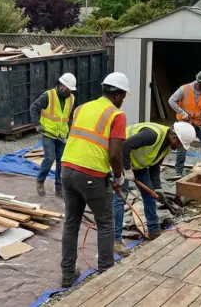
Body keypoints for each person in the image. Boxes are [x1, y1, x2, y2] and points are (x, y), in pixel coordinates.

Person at [59, 72, 129, 288]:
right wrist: (118, 177)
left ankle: (68, 275)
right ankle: (106, 275)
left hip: (67, 168)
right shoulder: (116, 115)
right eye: (123, 96)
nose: (123, 100)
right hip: (91, 174)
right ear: (117, 95)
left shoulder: (81, 108)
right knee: (106, 222)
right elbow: (115, 154)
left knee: (71, 223)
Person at [112, 121, 196, 257]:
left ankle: (153, 229)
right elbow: (124, 146)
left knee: (149, 194)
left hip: (139, 166)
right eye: (180, 144)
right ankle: (115, 240)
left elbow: (155, 166)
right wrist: (126, 169)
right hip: (121, 161)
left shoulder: (167, 146)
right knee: (120, 199)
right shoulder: (152, 135)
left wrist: (157, 188)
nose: (180, 147)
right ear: (174, 137)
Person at [30, 73, 77, 197]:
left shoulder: (71, 98)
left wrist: (70, 131)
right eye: (68, 90)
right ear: (62, 86)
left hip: (62, 135)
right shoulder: (48, 95)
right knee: (49, 158)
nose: (69, 93)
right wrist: (37, 124)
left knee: (62, 161)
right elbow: (33, 108)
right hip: (48, 133)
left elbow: (68, 117)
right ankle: (40, 181)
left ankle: (59, 187)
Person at [168, 70, 201, 175]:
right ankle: (178, 172)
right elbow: (171, 100)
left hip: (198, 123)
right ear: (199, 82)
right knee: (182, 145)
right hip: (184, 123)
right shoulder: (184, 89)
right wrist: (182, 113)